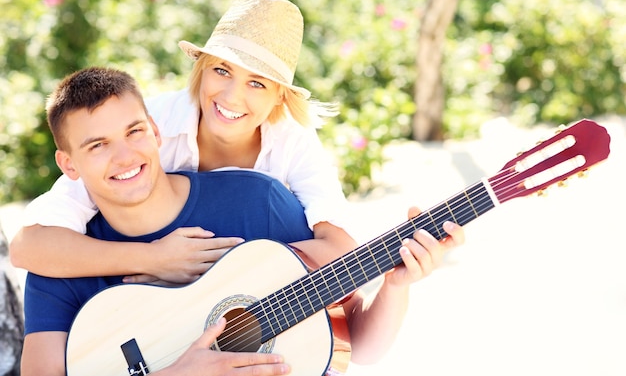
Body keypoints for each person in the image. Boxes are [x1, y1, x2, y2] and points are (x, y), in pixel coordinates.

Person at [20, 67, 464, 376]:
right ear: (69, 165)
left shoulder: (257, 202)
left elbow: (357, 345)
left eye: (134, 131)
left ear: (156, 132)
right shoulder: (63, 265)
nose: (124, 156)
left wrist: (396, 285)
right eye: (97, 145)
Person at [11, 0, 361, 283]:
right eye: (222, 70)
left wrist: (214, 272)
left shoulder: (292, 141)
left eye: (257, 82)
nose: (231, 97)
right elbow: (29, 246)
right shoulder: (145, 128)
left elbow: (340, 251)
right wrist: (152, 259)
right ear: (201, 69)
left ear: (279, 97)